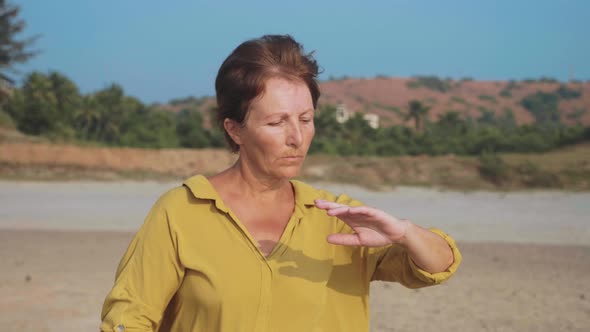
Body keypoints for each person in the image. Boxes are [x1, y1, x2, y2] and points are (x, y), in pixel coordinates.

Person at [100, 34, 462, 332]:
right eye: (276, 123)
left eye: (306, 119)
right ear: (234, 129)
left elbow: (438, 266)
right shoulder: (180, 213)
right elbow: (127, 318)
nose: (297, 137)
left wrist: (404, 234)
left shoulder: (338, 218)